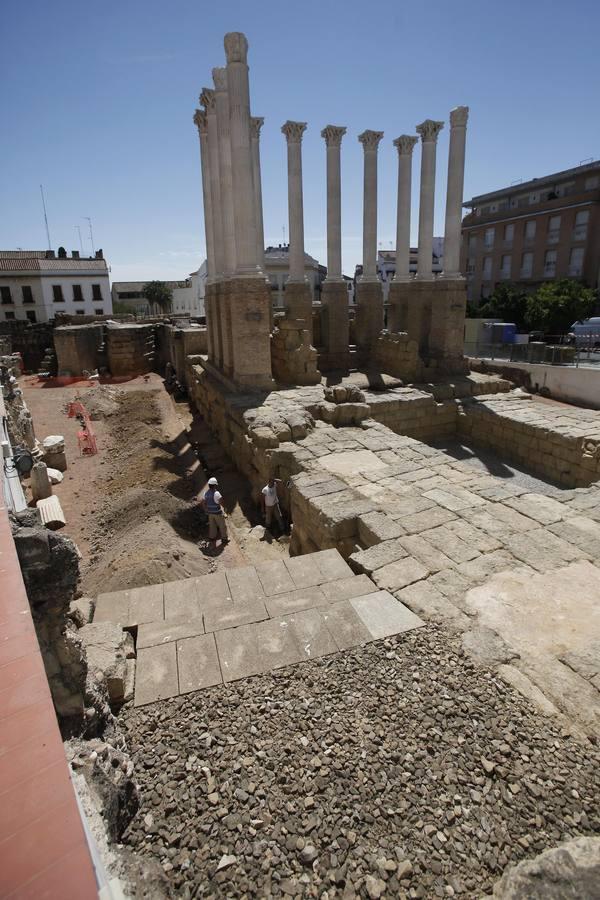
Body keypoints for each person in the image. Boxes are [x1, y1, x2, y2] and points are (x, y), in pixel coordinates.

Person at [201, 476, 228, 549]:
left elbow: (203, 502)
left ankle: (212, 537)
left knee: (212, 526)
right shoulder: (216, 493)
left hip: (210, 513)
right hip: (217, 513)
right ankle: (224, 539)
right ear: (215, 485)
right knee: (222, 526)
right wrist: (225, 508)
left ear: (209, 485)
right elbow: (221, 501)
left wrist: (206, 510)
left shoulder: (205, 493)